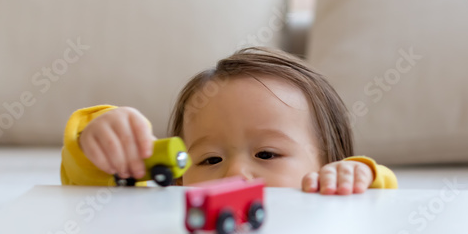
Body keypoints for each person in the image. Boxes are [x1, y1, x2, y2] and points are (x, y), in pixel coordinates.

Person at [60, 47, 397, 194]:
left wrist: (358, 175)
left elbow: (379, 195)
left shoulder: (331, 198)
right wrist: (101, 145)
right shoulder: (174, 219)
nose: (235, 173)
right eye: (211, 159)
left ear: (326, 166)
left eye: (266, 154)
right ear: (178, 181)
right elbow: (95, 194)